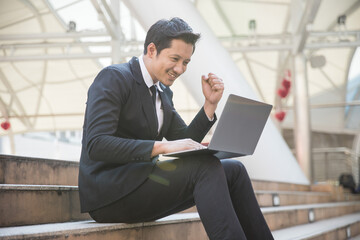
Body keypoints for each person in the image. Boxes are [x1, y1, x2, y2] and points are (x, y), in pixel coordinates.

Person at [79, 17, 273, 240]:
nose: (180, 69)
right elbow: (97, 143)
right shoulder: (114, 77)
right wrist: (162, 147)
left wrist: (210, 105)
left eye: (186, 62)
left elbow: (184, 138)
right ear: (152, 50)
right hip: (111, 193)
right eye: (175, 59)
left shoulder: (162, 92)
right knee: (206, 167)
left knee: (235, 171)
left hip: (143, 182)